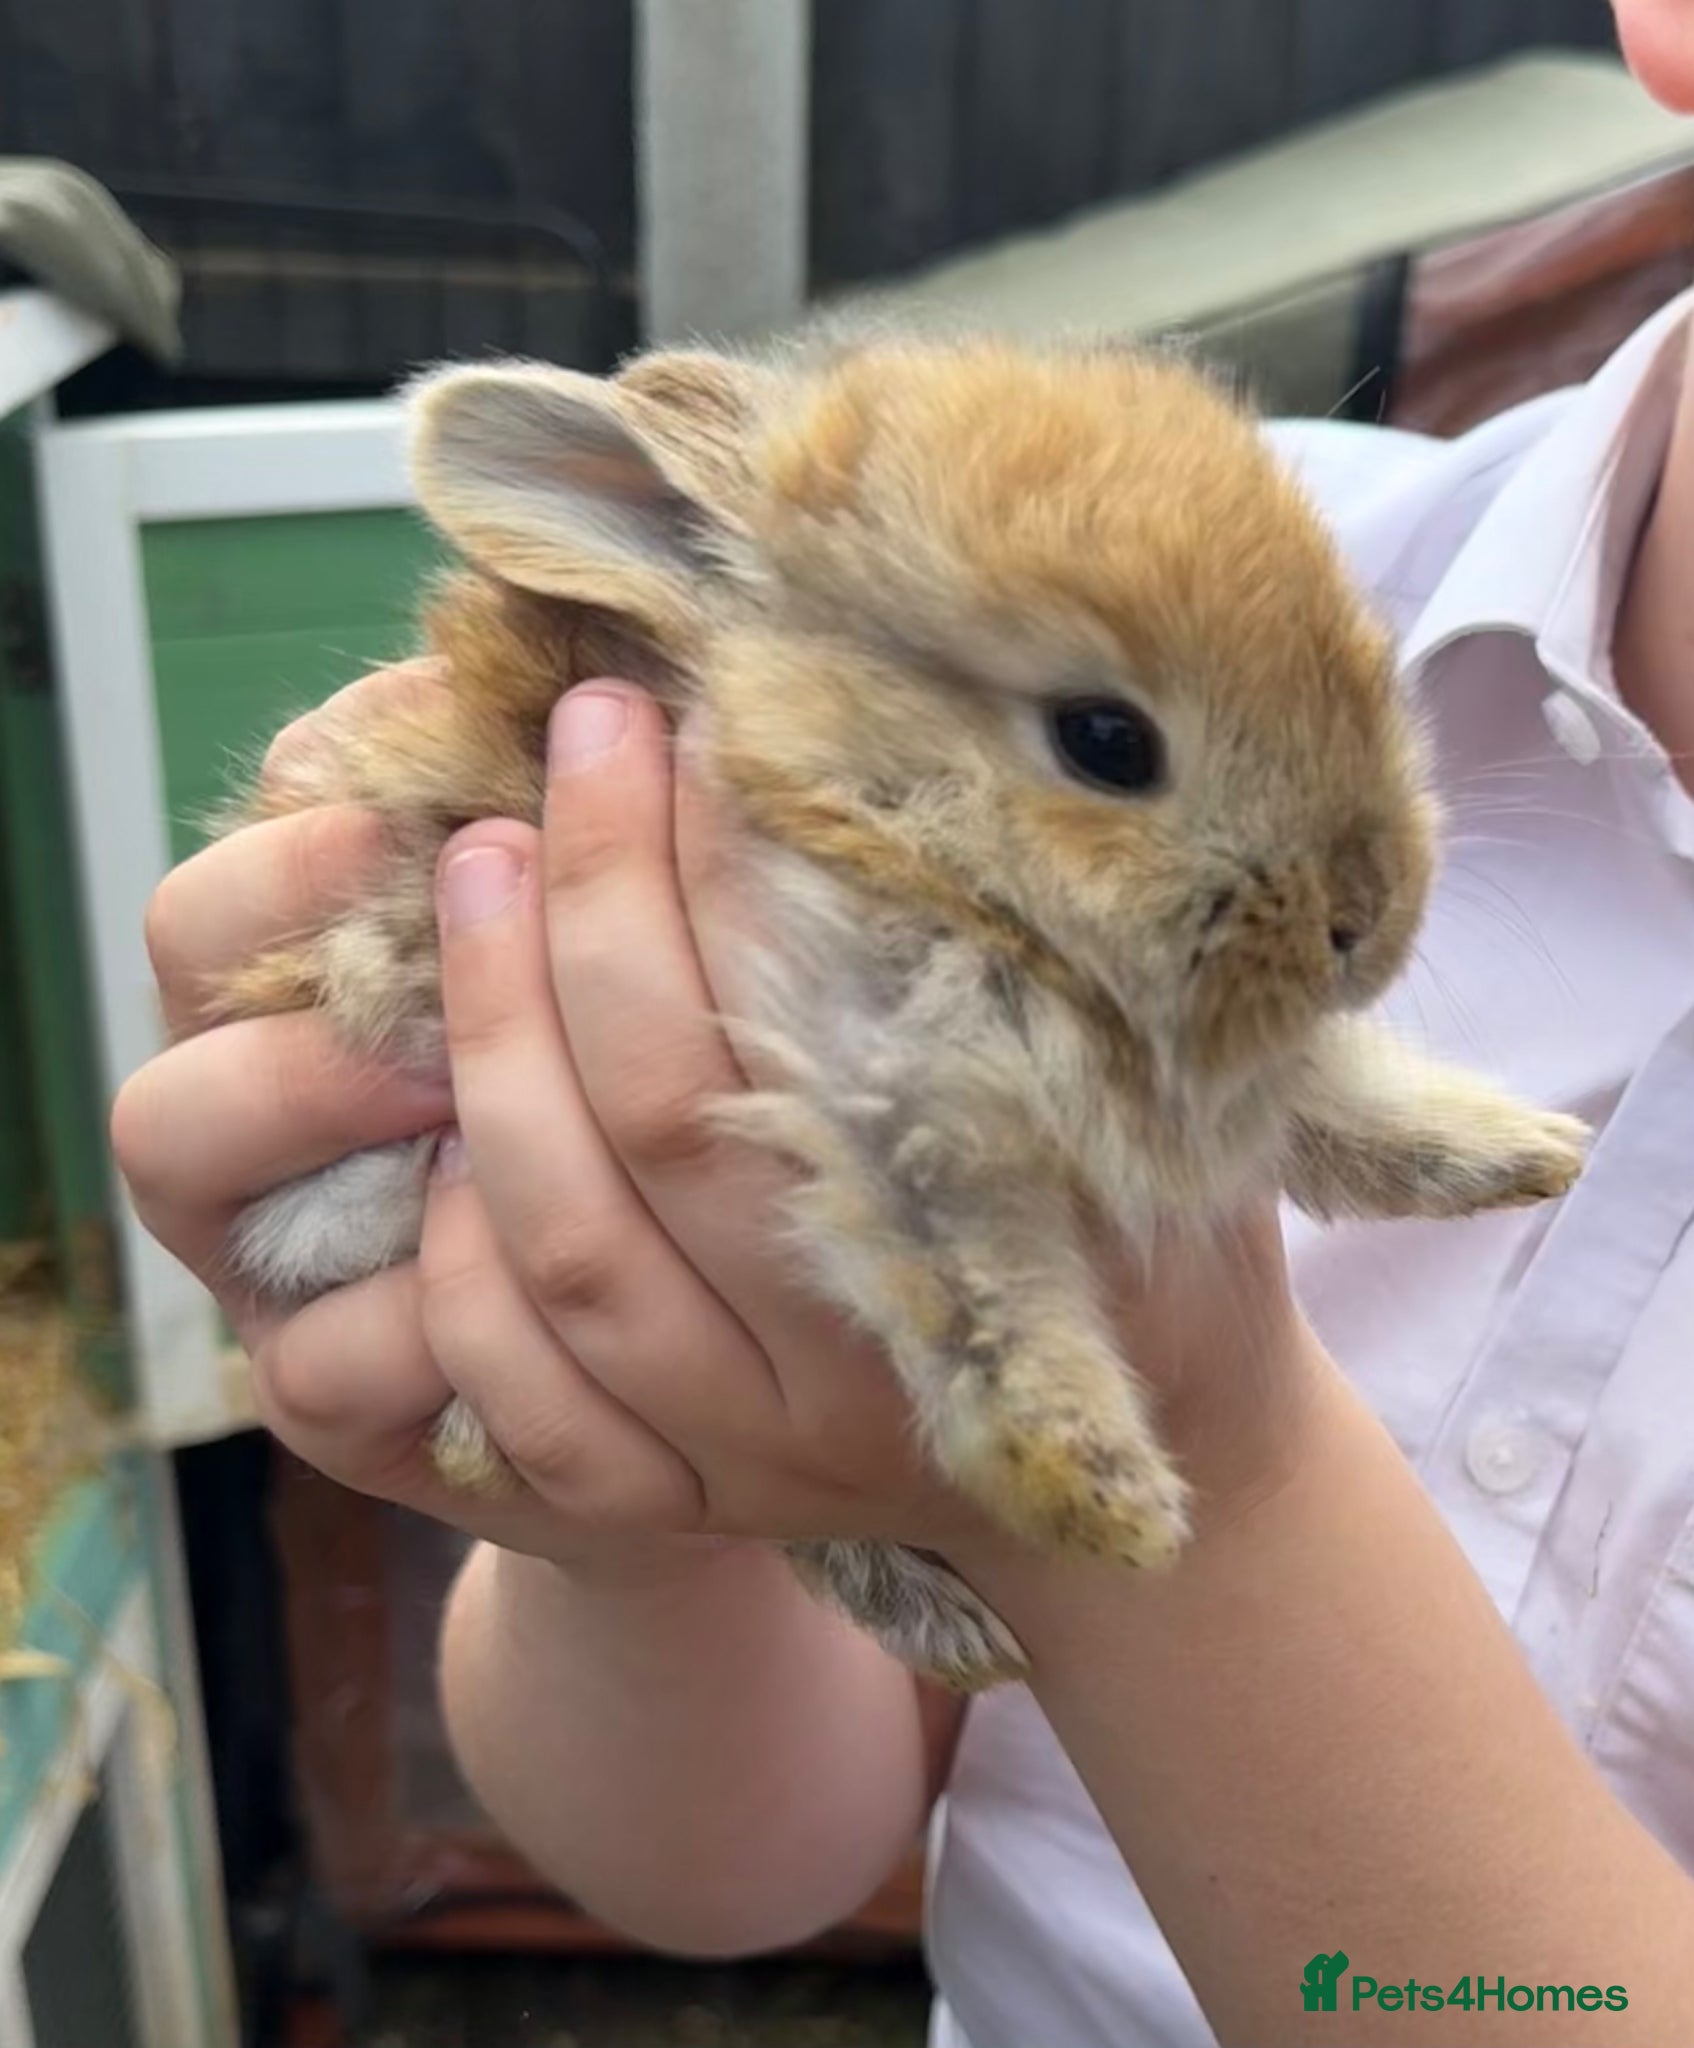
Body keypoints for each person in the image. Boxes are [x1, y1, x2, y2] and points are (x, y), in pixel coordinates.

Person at [114, 6, 1694, 2041]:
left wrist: (1217, 1466)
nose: (1361, 889)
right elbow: (722, 1858)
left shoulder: (1235, 698)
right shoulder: (1271, 553)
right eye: (1109, 748)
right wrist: (636, 1459)